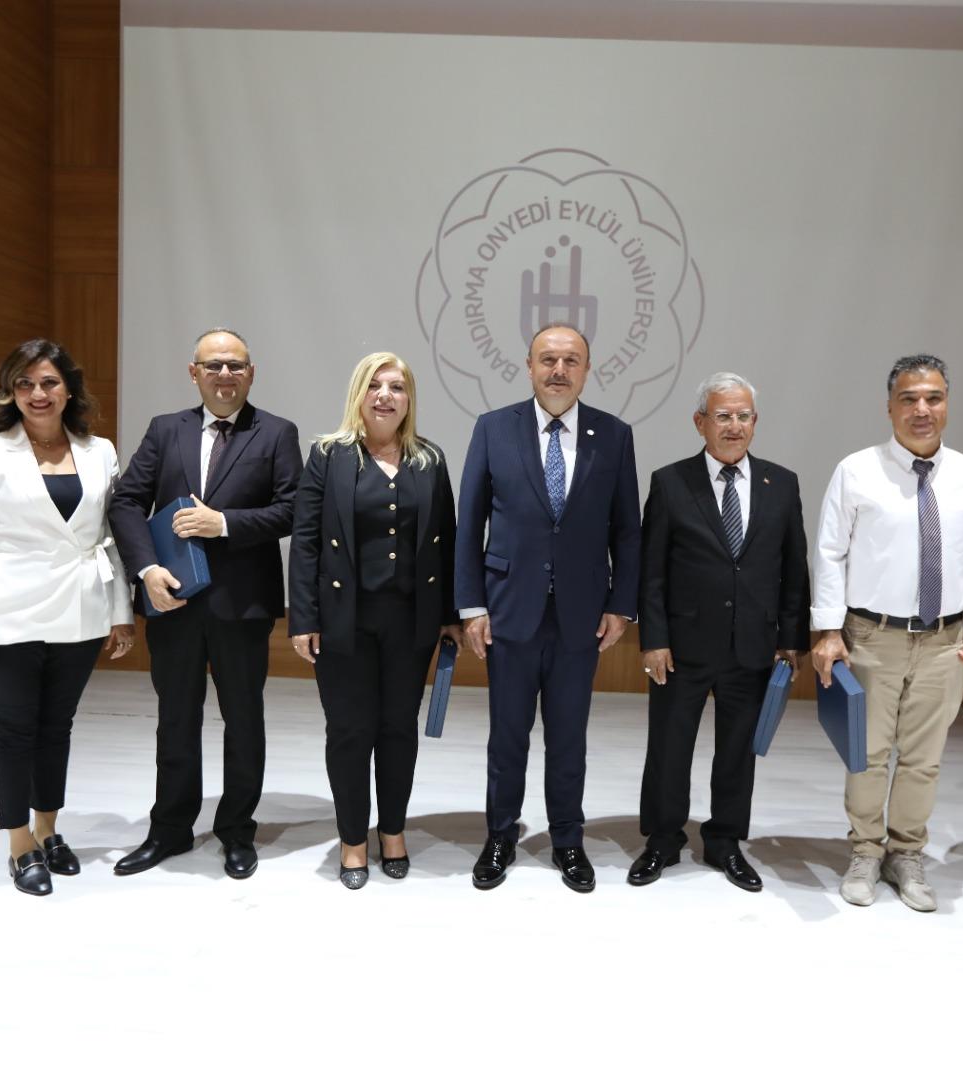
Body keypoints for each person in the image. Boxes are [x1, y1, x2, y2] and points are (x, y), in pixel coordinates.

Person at [810, 354, 963, 912]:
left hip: (945, 641)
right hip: (873, 637)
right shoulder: (857, 471)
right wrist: (828, 631)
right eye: (909, 398)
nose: (922, 409)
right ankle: (865, 851)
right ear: (889, 406)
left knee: (923, 758)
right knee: (868, 755)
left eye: (933, 398)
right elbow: (828, 553)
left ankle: (907, 853)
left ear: (946, 404)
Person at [108, 327, 301, 880]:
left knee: (244, 721)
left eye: (235, 365)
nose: (224, 375)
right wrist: (146, 570)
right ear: (193, 373)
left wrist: (224, 524)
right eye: (213, 365)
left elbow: (294, 509)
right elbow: (126, 502)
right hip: (173, 601)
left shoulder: (276, 433)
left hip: (243, 606)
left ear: (251, 373)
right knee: (175, 720)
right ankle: (170, 828)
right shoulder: (165, 429)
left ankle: (237, 830)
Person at [455, 323, 641, 893]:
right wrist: (471, 606)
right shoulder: (494, 428)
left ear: (587, 369)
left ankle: (567, 839)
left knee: (568, 738)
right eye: (548, 360)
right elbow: (470, 523)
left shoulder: (614, 435)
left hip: (581, 616)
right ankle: (500, 836)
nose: (559, 370)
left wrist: (622, 604)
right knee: (507, 737)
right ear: (529, 366)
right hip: (509, 610)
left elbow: (626, 529)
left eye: (571, 361)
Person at [0, 338, 137, 896]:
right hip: (9, 615)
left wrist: (121, 612)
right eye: (25, 383)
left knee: (57, 727)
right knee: (14, 730)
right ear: (10, 391)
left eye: (49, 382)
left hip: (82, 610)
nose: (38, 393)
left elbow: (111, 537)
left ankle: (48, 830)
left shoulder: (99, 450)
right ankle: (18, 844)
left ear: (69, 389)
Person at [288, 353, 463, 890]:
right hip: (343, 622)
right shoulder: (328, 456)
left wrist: (451, 616)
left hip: (411, 624)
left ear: (409, 399)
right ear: (358, 395)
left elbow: (447, 541)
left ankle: (392, 832)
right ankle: (352, 841)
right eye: (375, 385)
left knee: (397, 730)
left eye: (397, 387)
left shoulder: (429, 458)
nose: (386, 396)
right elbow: (306, 541)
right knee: (349, 731)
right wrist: (303, 618)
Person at [630, 372, 810, 893]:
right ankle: (663, 839)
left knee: (737, 751)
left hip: (752, 647)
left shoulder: (782, 484)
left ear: (755, 421)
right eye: (723, 416)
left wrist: (791, 640)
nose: (734, 426)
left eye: (743, 416)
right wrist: (653, 640)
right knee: (669, 747)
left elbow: (794, 569)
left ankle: (725, 840)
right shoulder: (670, 482)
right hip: (681, 647)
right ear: (700, 422)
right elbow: (651, 572)